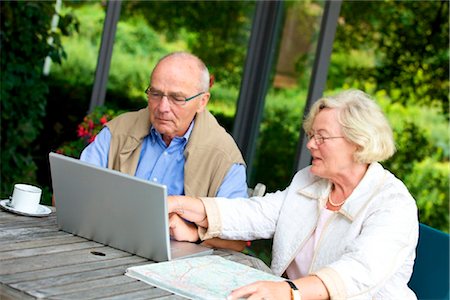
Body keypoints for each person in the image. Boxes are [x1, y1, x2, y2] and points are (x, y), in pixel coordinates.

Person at [167, 89, 419, 299]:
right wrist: (181, 204)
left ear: (358, 142)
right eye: (311, 135)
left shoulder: (393, 204)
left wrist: (289, 292)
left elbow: (359, 271)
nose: (310, 144)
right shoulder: (309, 179)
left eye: (322, 137)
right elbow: (256, 213)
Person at [80, 52, 248, 252]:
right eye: (156, 94)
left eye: (177, 98)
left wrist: (194, 235)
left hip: (174, 269)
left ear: (202, 102)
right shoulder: (119, 130)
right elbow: (74, 192)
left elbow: (236, 240)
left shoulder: (224, 157)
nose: (162, 108)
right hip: (103, 246)